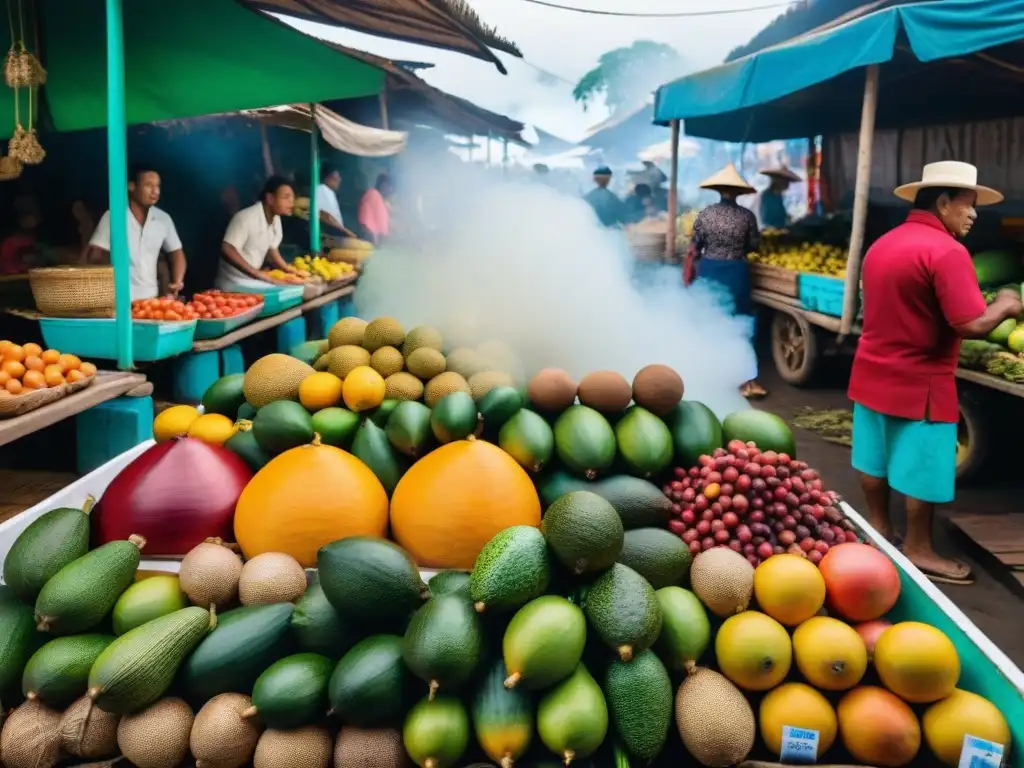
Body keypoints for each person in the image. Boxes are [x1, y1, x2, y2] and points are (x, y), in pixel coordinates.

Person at [849, 161, 1022, 585]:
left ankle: (880, 529)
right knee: (924, 465)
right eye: (969, 204)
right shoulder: (947, 251)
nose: (974, 214)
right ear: (943, 203)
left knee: (874, 455)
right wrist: (1006, 302)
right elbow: (972, 324)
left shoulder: (882, 244)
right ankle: (920, 548)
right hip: (921, 379)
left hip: (872, 369)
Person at [684, 163, 767, 399]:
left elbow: (696, 244)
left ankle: (708, 370)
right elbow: (753, 245)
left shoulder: (705, 214)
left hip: (710, 269)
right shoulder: (746, 216)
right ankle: (743, 377)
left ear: (718, 190)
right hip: (736, 271)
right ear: (739, 193)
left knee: (709, 316)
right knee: (738, 320)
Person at [83, 164, 187, 299]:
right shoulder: (114, 216)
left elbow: (177, 252)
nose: (155, 191)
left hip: (150, 300)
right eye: (149, 185)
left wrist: (177, 281)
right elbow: (94, 256)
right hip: (119, 300)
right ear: (131, 186)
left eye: (158, 186)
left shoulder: (163, 219)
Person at [217, 176, 301, 290]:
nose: (291, 202)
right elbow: (227, 248)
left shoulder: (276, 219)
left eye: (292, 197)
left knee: (296, 288)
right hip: (234, 280)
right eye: (286, 197)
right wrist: (257, 273)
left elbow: (272, 249)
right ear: (270, 198)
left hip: (253, 279)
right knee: (290, 292)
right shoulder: (246, 218)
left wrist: (288, 270)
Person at [316, 164, 357, 239]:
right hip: (329, 236)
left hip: (337, 235)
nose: (339, 180)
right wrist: (345, 232)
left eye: (339, 177)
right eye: (335, 177)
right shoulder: (321, 189)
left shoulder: (330, 192)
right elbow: (324, 215)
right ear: (326, 178)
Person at [757, 165, 800, 230]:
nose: (787, 184)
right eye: (785, 181)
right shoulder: (767, 195)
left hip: (782, 230)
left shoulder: (779, 196)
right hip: (770, 231)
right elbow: (767, 218)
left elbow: (781, 215)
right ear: (777, 180)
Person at [358, 173, 392, 245]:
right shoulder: (373, 194)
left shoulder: (381, 200)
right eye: (390, 188)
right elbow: (366, 220)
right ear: (384, 186)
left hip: (373, 239)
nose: (390, 192)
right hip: (368, 237)